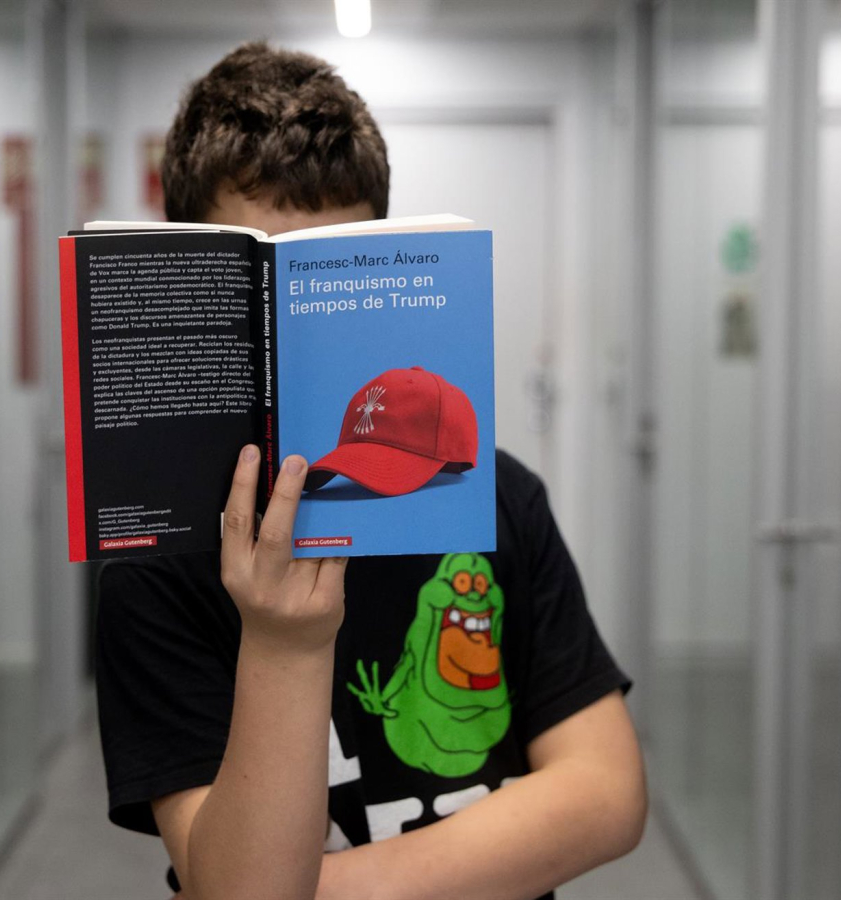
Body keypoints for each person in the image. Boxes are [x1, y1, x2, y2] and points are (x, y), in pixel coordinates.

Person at [93, 41, 646, 900]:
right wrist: (284, 642)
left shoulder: (499, 501)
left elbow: (606, 795)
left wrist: (316, 890)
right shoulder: (160, 558)